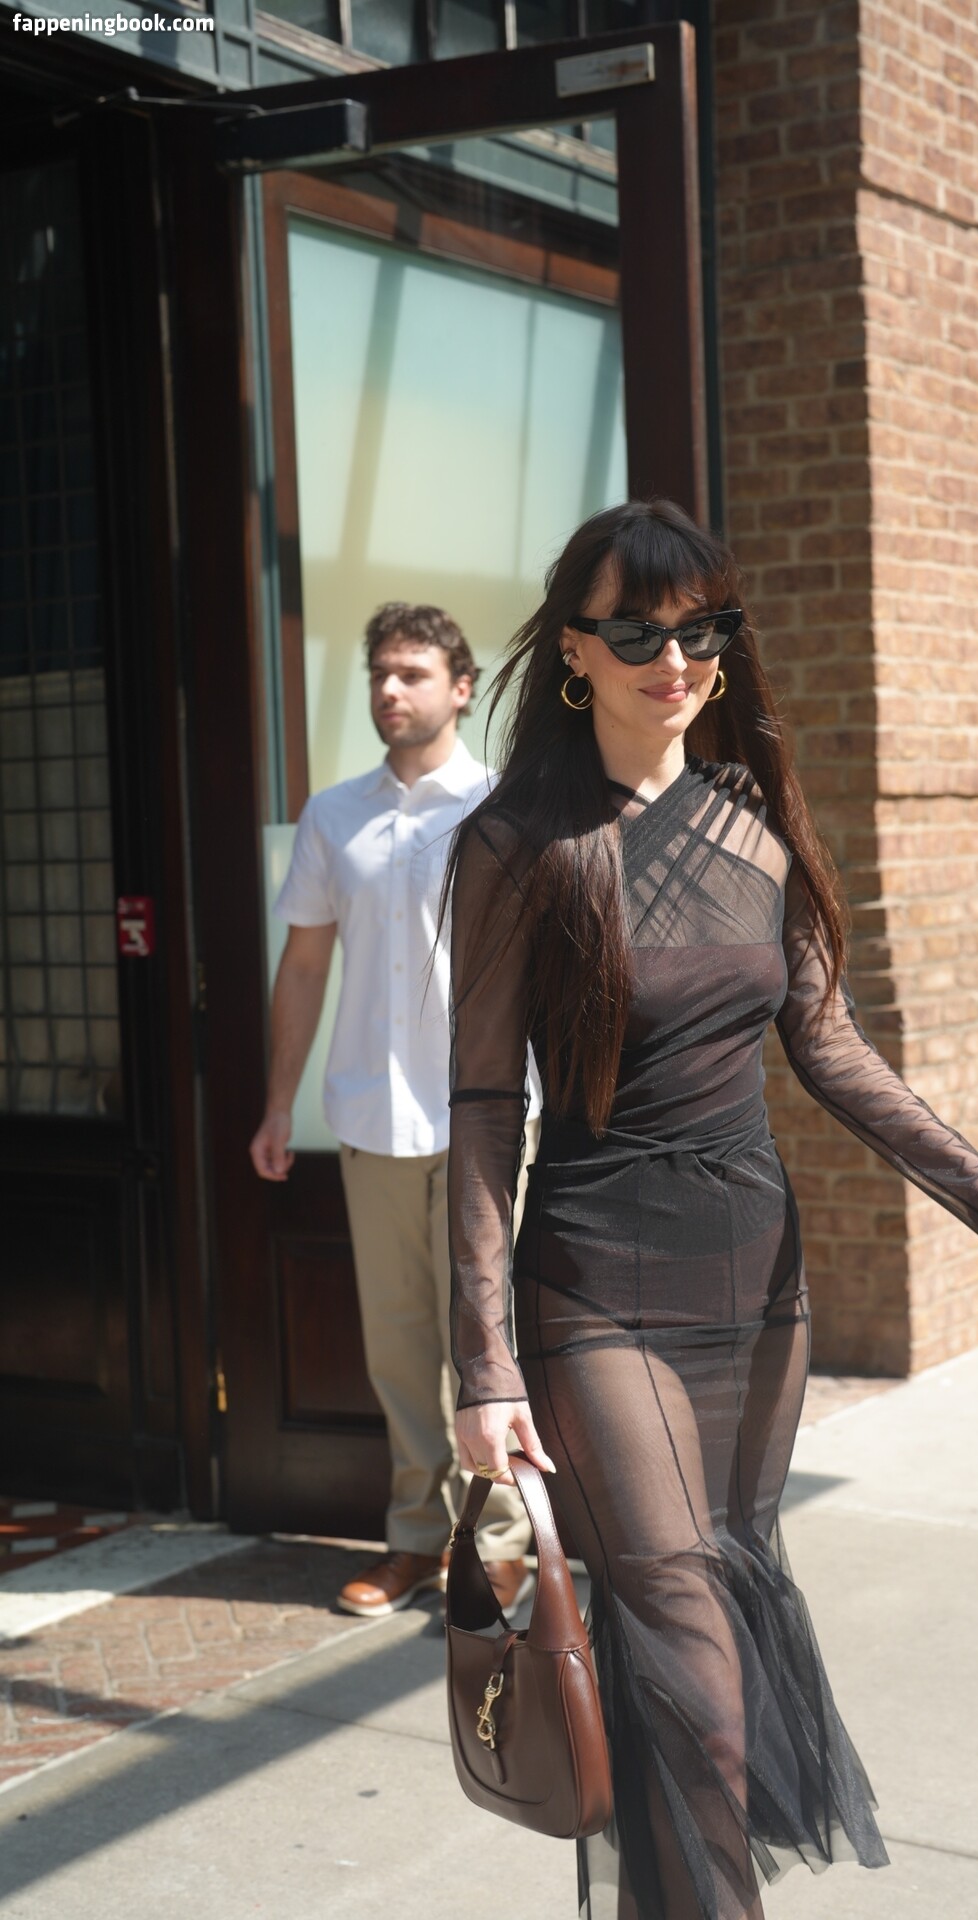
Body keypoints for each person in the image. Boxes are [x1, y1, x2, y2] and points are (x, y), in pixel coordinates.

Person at [443, 501, 978, 1920]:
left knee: (706, 1626)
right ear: (573, 653)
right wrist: (483, 1366)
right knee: (691, 1650)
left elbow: (828, 1044)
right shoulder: (515, 844)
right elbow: (482, 1111)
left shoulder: (753, 817)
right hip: (596, 1290)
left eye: (701, 629)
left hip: (757, 1289)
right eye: (636, 633)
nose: (674, 660)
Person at [250, 603, 534, 1620]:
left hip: (484, 1121)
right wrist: (277, 1105)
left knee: (485, 1341)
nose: (388, 689)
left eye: (411, 672)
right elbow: (304, 964)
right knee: (398, 1349)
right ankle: (415, 1538)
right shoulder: (334, 816)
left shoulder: (505, 807)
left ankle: (501, 1542)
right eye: (379, 672)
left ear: (461, 687)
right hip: (371, 1118)